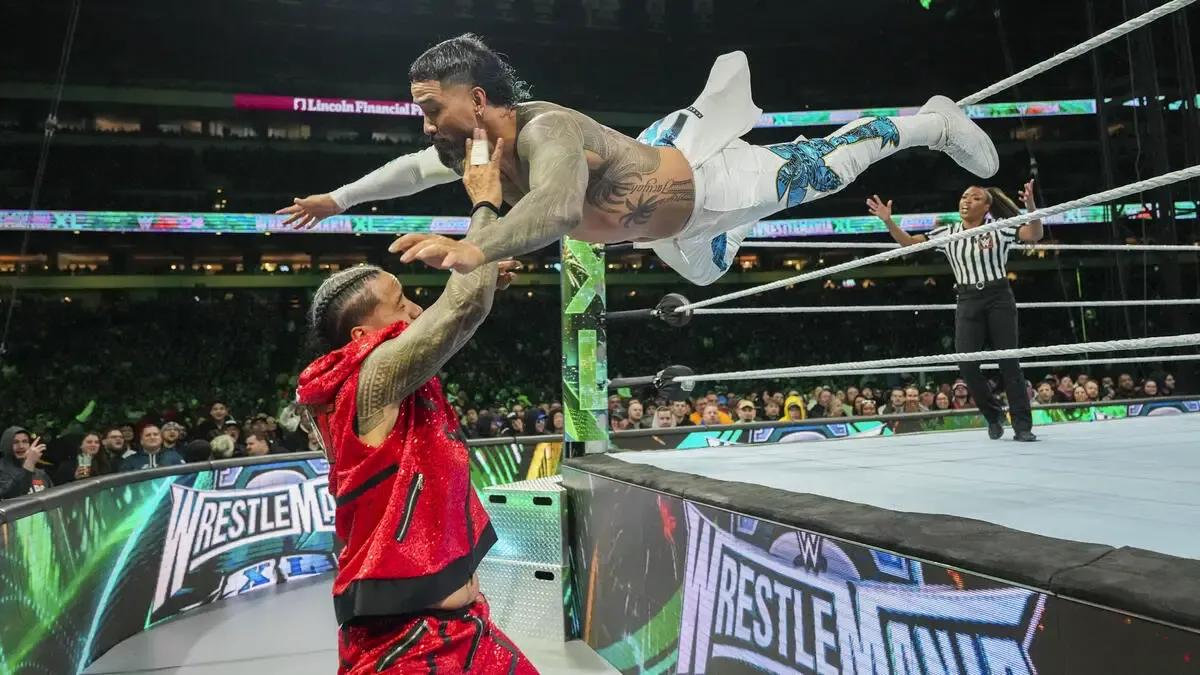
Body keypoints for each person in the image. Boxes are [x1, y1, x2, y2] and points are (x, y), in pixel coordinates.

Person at [282, 35, 998, 287]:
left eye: (429, 106)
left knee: (829, 166)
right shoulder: (472, 145)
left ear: (475, 97)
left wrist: (472, 246)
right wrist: (335, 201)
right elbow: (411, 171)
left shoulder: (546, 132)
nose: (424, 122)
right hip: (673, 233)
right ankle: (717, 232)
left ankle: (930, 121)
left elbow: (559, 208)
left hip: (710, 181)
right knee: (710, 265)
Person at [293, 238, 533, 669]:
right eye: (401, 303)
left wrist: (481, 280)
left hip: (466, 627)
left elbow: (456, 317)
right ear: (361, 337)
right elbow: (460, 311)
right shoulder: (367, 381)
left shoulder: (384, 381)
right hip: (404, 642)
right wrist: (485, 206)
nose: (417, 310)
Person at [870, 181, 1043, 442]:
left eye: (974, 198)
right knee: (966, 363)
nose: (966, 201)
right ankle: (993, 414)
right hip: (967, 297)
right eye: (964, 197)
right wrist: (888, 222)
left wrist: (1030, 207)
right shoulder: (948, 232)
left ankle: (1022, 425)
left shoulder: (999, 228)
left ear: (987, 206)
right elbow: (910, 245)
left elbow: (1034, 235)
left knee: (1009, 361)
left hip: (998, 297)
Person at [1, 427, 51, 499]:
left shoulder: (40, 473)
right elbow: (12, 496)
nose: (21, 446)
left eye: (25, 441)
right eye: (15, 442)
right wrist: (29, 463)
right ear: (6, 445)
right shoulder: (2, 471)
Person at [121, 425, 185, 471]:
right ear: (141, 441)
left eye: (155, 434)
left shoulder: (174, 456)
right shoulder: (130, 461)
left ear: (161, 439)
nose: (152, 437)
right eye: (148, 435)